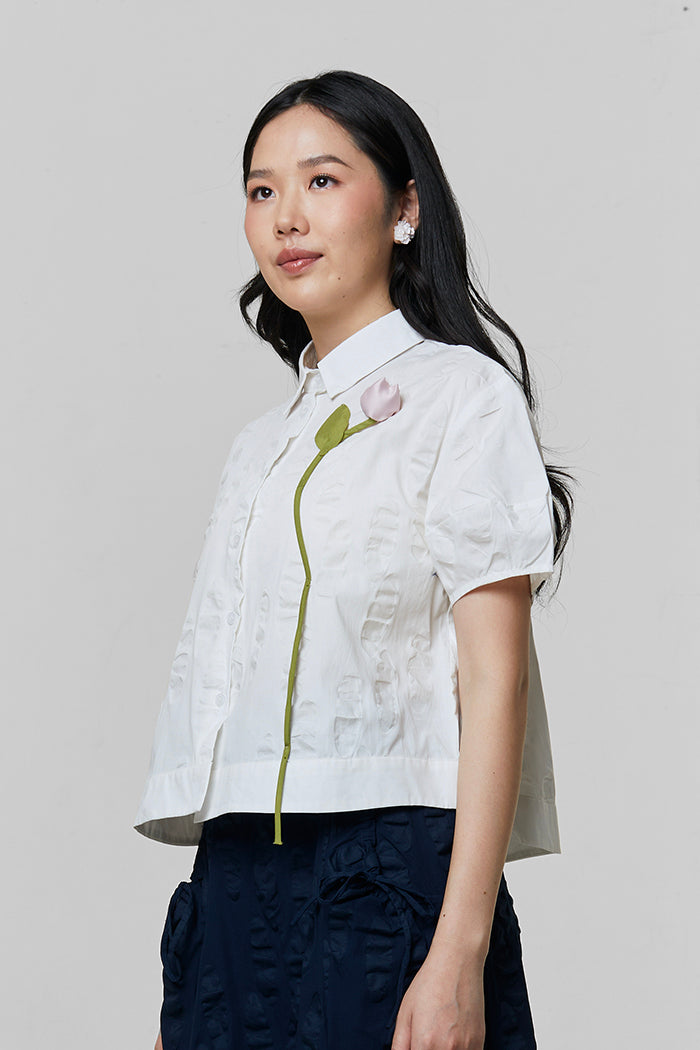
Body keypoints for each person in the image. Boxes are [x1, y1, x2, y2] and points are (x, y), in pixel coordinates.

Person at [136, 70, 575, 1050]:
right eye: (261, 190)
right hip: (234, 877)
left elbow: (493, 681)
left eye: (322, 180)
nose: (286, 216)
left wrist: (458, 951)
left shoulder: (463, 397)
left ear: (405, 207)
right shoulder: (259, 445)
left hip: (388, 874)